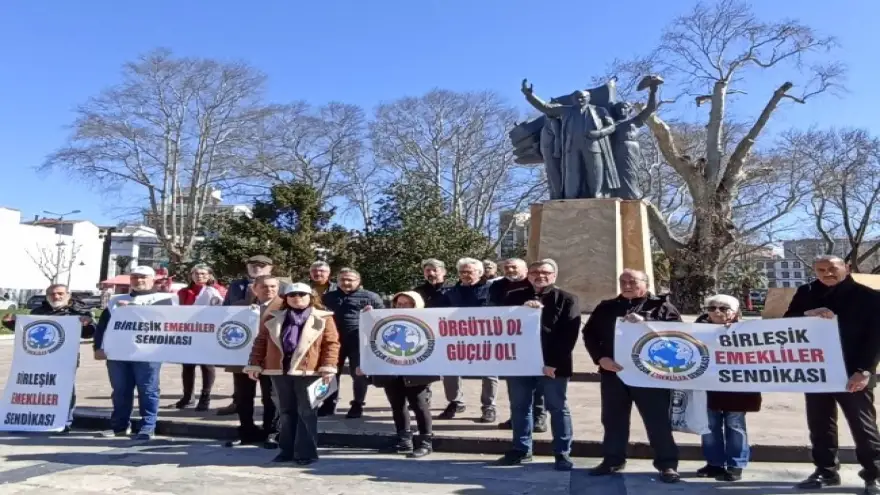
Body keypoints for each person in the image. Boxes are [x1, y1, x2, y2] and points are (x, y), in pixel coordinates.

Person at [784, 255, 880, 494]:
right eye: (821, 269)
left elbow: (876, 339)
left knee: (863, 426)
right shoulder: (805, 292)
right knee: (819, 425)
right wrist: (808, 315)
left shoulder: (869, 297)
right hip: (815, 371)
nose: (827, 273)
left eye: (832, 268)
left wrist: (865, 371)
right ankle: (825, 471)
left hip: (853, 372)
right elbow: (786, 323)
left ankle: (874, 475)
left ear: (846, 268)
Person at [582, 268, 682, 483]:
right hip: (614, 373)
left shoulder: (662, 307)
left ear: (645, 283)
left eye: (633, 281)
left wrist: (647, 323)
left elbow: (677, 337)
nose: (627, 285)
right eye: (623, 281)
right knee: (613, 419)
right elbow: (589, 334)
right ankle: (612, 460)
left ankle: (667, 464)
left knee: (657, 421)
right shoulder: (606, 307)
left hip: (650, 375)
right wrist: (600, 358)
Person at [496, 259, 580, 471]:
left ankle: (562, 452)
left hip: (552, 365)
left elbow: (568, 336)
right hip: (520, 363)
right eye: (534, 272)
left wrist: (553, 363)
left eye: (545, 272)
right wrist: (520, 311)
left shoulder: (567, 299)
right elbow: (499, 323)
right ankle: (521, 449)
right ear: (528, 275)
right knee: (520, 407)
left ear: (554, 275)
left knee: (557, 408)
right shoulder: (513, 297)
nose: (540, 276)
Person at [244, 283, 340, 465]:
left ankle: (305, 453)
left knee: (307, 412)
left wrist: (328, 366)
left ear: (310, 297)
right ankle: (286, 450)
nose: (297, 298)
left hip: (309, 371)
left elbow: (331, 344)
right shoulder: (273, 317)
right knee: (286, 412)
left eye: (302, 294)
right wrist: (254, 364)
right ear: (286, 298)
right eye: (292, 295)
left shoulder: (324, 318)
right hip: (279, 370)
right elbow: (261, 341)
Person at [93, 266, 177, 440]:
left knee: (148, 390)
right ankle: (120, 426)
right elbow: (103, 326)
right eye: (135, 277)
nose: (138, 280)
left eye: (143, 277)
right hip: (117, 352)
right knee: (120, 390)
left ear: (153, 279)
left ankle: (148, 426)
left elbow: (165, 320)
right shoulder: (115, 300)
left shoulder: (165, 299)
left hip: (148, 353)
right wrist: (98, 347)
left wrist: (133, 308)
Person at [2, 283, 96, 434]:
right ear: (47, 296)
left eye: (60, 293)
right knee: (34, 390)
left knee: (64, 390)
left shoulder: (78, 313)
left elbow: (89, 334)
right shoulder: (37, 312)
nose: (56, 297)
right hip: (36, 358)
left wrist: (88, 324)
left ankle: (64, 421)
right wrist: (9, 323)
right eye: (52, 294)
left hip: (65, 359)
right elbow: (26, 331)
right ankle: (31, 418)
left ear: (68, 295)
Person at [358, 291, 438, 458]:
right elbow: (372, 338)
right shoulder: (388, 321)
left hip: (417, 370)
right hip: (391, 369)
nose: (401, 307)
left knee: (419, 405)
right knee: (397, 405)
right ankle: (404, 439)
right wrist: (368, 317)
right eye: (398, 304)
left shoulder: (427, 320)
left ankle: (425, 442)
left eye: (406, 304)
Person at [694, 294, 761, 482]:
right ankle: (714, 464)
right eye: (712, 308)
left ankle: (735, 464)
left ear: (734, 312)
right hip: (707, 386)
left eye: (723, 308)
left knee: (735, 424)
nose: (716, 312)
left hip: (737, 388)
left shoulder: (748, 331)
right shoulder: (695, 330)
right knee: (709, 426)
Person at [216, 255, 291, 416]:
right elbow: (225, 310)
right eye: (253, 265)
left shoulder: (284, 287)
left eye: (262, 265)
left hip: (271, 349)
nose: (257, 267)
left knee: (271, 394)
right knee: (244, 392)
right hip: (242, 346)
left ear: (271, 268)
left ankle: (271, 430)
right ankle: (243, 420)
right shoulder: (236, 285)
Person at [436, 257, 498, 423]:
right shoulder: (448, 292)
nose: (465, 275)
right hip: (456, 338)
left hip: (485, 337)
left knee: (490, 372)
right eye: (462, 272)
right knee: (450, 371)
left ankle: (488, 406)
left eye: (469, 272)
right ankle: (455, 402)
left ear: (479, 272)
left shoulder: (492, 290)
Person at [490, 258, 547, 433]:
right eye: (506, 268)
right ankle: (517, 416)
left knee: (537, 383)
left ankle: (538, 417)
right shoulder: (497, 286)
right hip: (509, 341)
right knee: (515, 384)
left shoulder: (534, 287)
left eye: (514, 267)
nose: (510, 270)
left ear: (525, 270)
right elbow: (492, 307)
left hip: (535, 341)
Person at [224, 275, 281, 449]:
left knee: (271, 398)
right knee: (243, 397)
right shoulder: (240, 307)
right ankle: (247, 432)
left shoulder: (285, 306)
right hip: (243, 358)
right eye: (264, 286)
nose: (269, 290)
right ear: (254, 288)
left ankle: (271, 433)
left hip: (271, 359)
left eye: (273, 286)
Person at [319, 268, 384, 418]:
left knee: (359, 375)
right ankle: (329, 403)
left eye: (350, 280)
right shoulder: (328, 297)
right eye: (342, 280)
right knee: (330, 373)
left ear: (358, 281)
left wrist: (373, 313)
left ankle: (357, 405)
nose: (346, 283)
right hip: (333, 342)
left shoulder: (371, 297)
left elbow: (383, 319)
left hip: (359, 342)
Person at [173, 264, 224, 411]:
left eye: (203, 274)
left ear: (209, 276)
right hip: (188, 332)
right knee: (187, 365)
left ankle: (205, 397)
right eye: (196, 273)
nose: (199, 276)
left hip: (207, 332)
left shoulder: (217, 291)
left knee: (207, 365)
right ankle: (188, 396)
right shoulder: (183, 292)